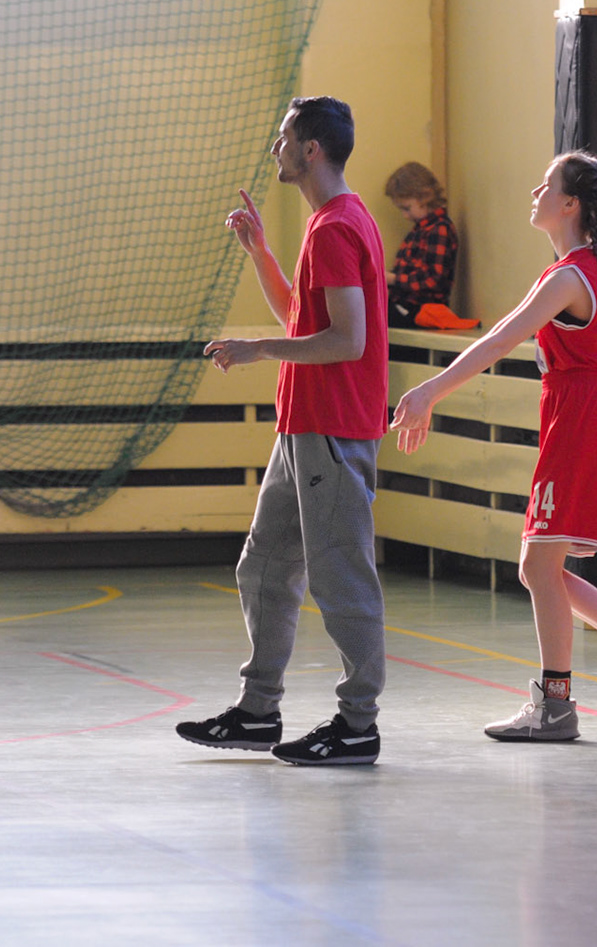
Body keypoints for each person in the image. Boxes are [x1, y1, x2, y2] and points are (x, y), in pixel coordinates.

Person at [391, 152, 597, 740]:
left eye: (546, 185)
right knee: (540, 569)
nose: (535, 191)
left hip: (583, 418)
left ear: (570, 203)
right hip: (581, 415)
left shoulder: (570, 276)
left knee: (537, 566)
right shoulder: (581, 270)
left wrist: (428, 390)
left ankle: (557, 705)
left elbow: (499, 339)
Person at [176, 96, 391, 767]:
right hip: (301, 430)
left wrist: (258, 350)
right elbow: (303, 317)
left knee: (340, 577)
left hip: (332, 429)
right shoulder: (329, 222)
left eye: (284, 137)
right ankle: (256, 711)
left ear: (311, 149)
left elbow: (348, 341)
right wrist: (260, 253)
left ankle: (357, 725)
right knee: (265, 565)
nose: (277, 148)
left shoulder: (337, 227)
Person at [382, 161, 462, 328]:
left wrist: (393, 279)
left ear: (425, 197)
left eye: (407, 208)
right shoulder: (420, 230)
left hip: (421, 309)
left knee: (368, 313)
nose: (405, 216)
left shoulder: (439, 229)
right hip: (408, 306)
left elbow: (433, 280)